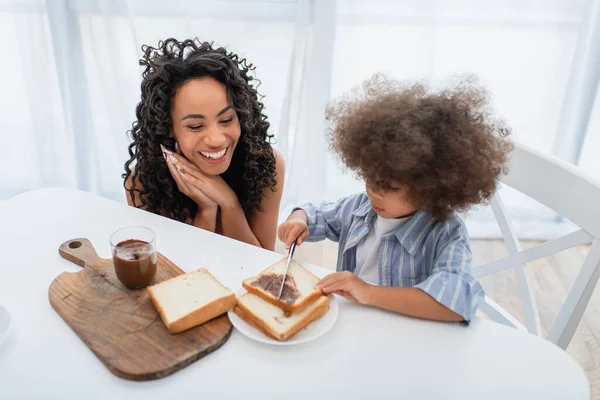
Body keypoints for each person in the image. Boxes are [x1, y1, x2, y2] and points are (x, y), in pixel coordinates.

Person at [278, 74, 513, 323]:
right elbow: (317, 214)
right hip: (353, 326)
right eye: (369, 178)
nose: (374, 193)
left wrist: (368, 292)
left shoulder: (445, 234)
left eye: (389, 186)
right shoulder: (360, 208)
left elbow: (456, 303)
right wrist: (299, 219)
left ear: (430, 185)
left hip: (411, 340)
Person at [123, 38, 285, 251]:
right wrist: (207, 210)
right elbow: (174, 271)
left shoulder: (265, 164)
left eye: (227, 120)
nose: (216, 139)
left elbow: (262, 264)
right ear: (168, 127)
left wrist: (229, 204)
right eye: (196, 126)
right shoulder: (142, 182)